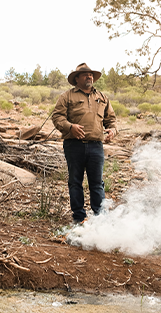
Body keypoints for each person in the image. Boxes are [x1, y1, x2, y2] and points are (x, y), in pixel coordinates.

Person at [52, 63, 118, 224]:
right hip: (74, 145)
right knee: (75, 182)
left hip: (96, 146)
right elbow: (57, 117)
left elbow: (111, 119)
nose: (89, 77)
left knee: (97, 183)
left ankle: (100, 218)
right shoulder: (67, 96)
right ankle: (79, 218)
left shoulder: (102, 97)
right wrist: (70, 127)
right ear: (76, 79)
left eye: (91, 74)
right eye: (85, 74)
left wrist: (113, 130)